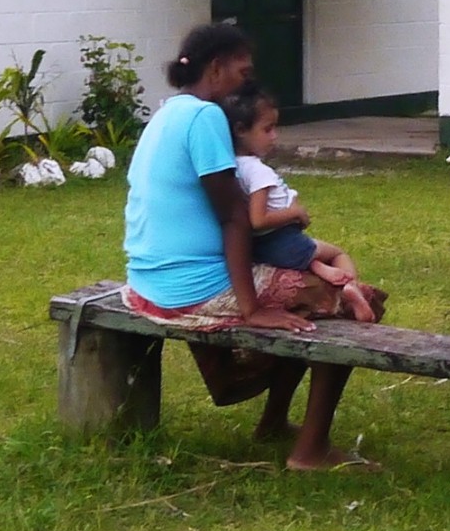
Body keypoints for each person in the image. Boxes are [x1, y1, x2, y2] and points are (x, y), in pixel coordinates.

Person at [122, 24, 368, 471]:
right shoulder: (206, 117)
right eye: (242, 70)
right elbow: (235, 216)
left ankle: (272, 422)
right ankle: (310, 451)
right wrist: (252, 308)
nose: (245, 81)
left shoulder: (166, 113)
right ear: (215, 69)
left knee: (311, 298)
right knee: (357, 303)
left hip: (146, 278)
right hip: (189, 287)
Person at [225, 84, 376, 323]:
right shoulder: (257, 171)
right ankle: (351, 292)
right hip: (282, 241)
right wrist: (295, 213)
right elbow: (258, 219)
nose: (274, 136)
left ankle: (316, 265)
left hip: (258, 248)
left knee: (311, 255)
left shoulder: (231, 166)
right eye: (268, 129)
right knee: (338, 253)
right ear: (241, 130)